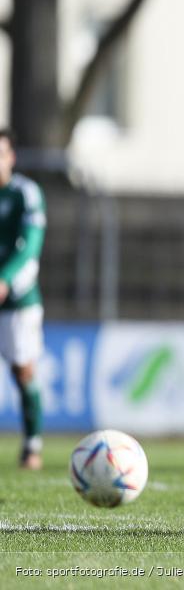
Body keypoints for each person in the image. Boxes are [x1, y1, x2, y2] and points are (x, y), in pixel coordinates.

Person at [0, 129, 47, 470]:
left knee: (23, 370)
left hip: (18, 297)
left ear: (11, 157)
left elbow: (30, 247)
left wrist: (4, 279)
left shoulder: (25, 193)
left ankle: (32, 444)